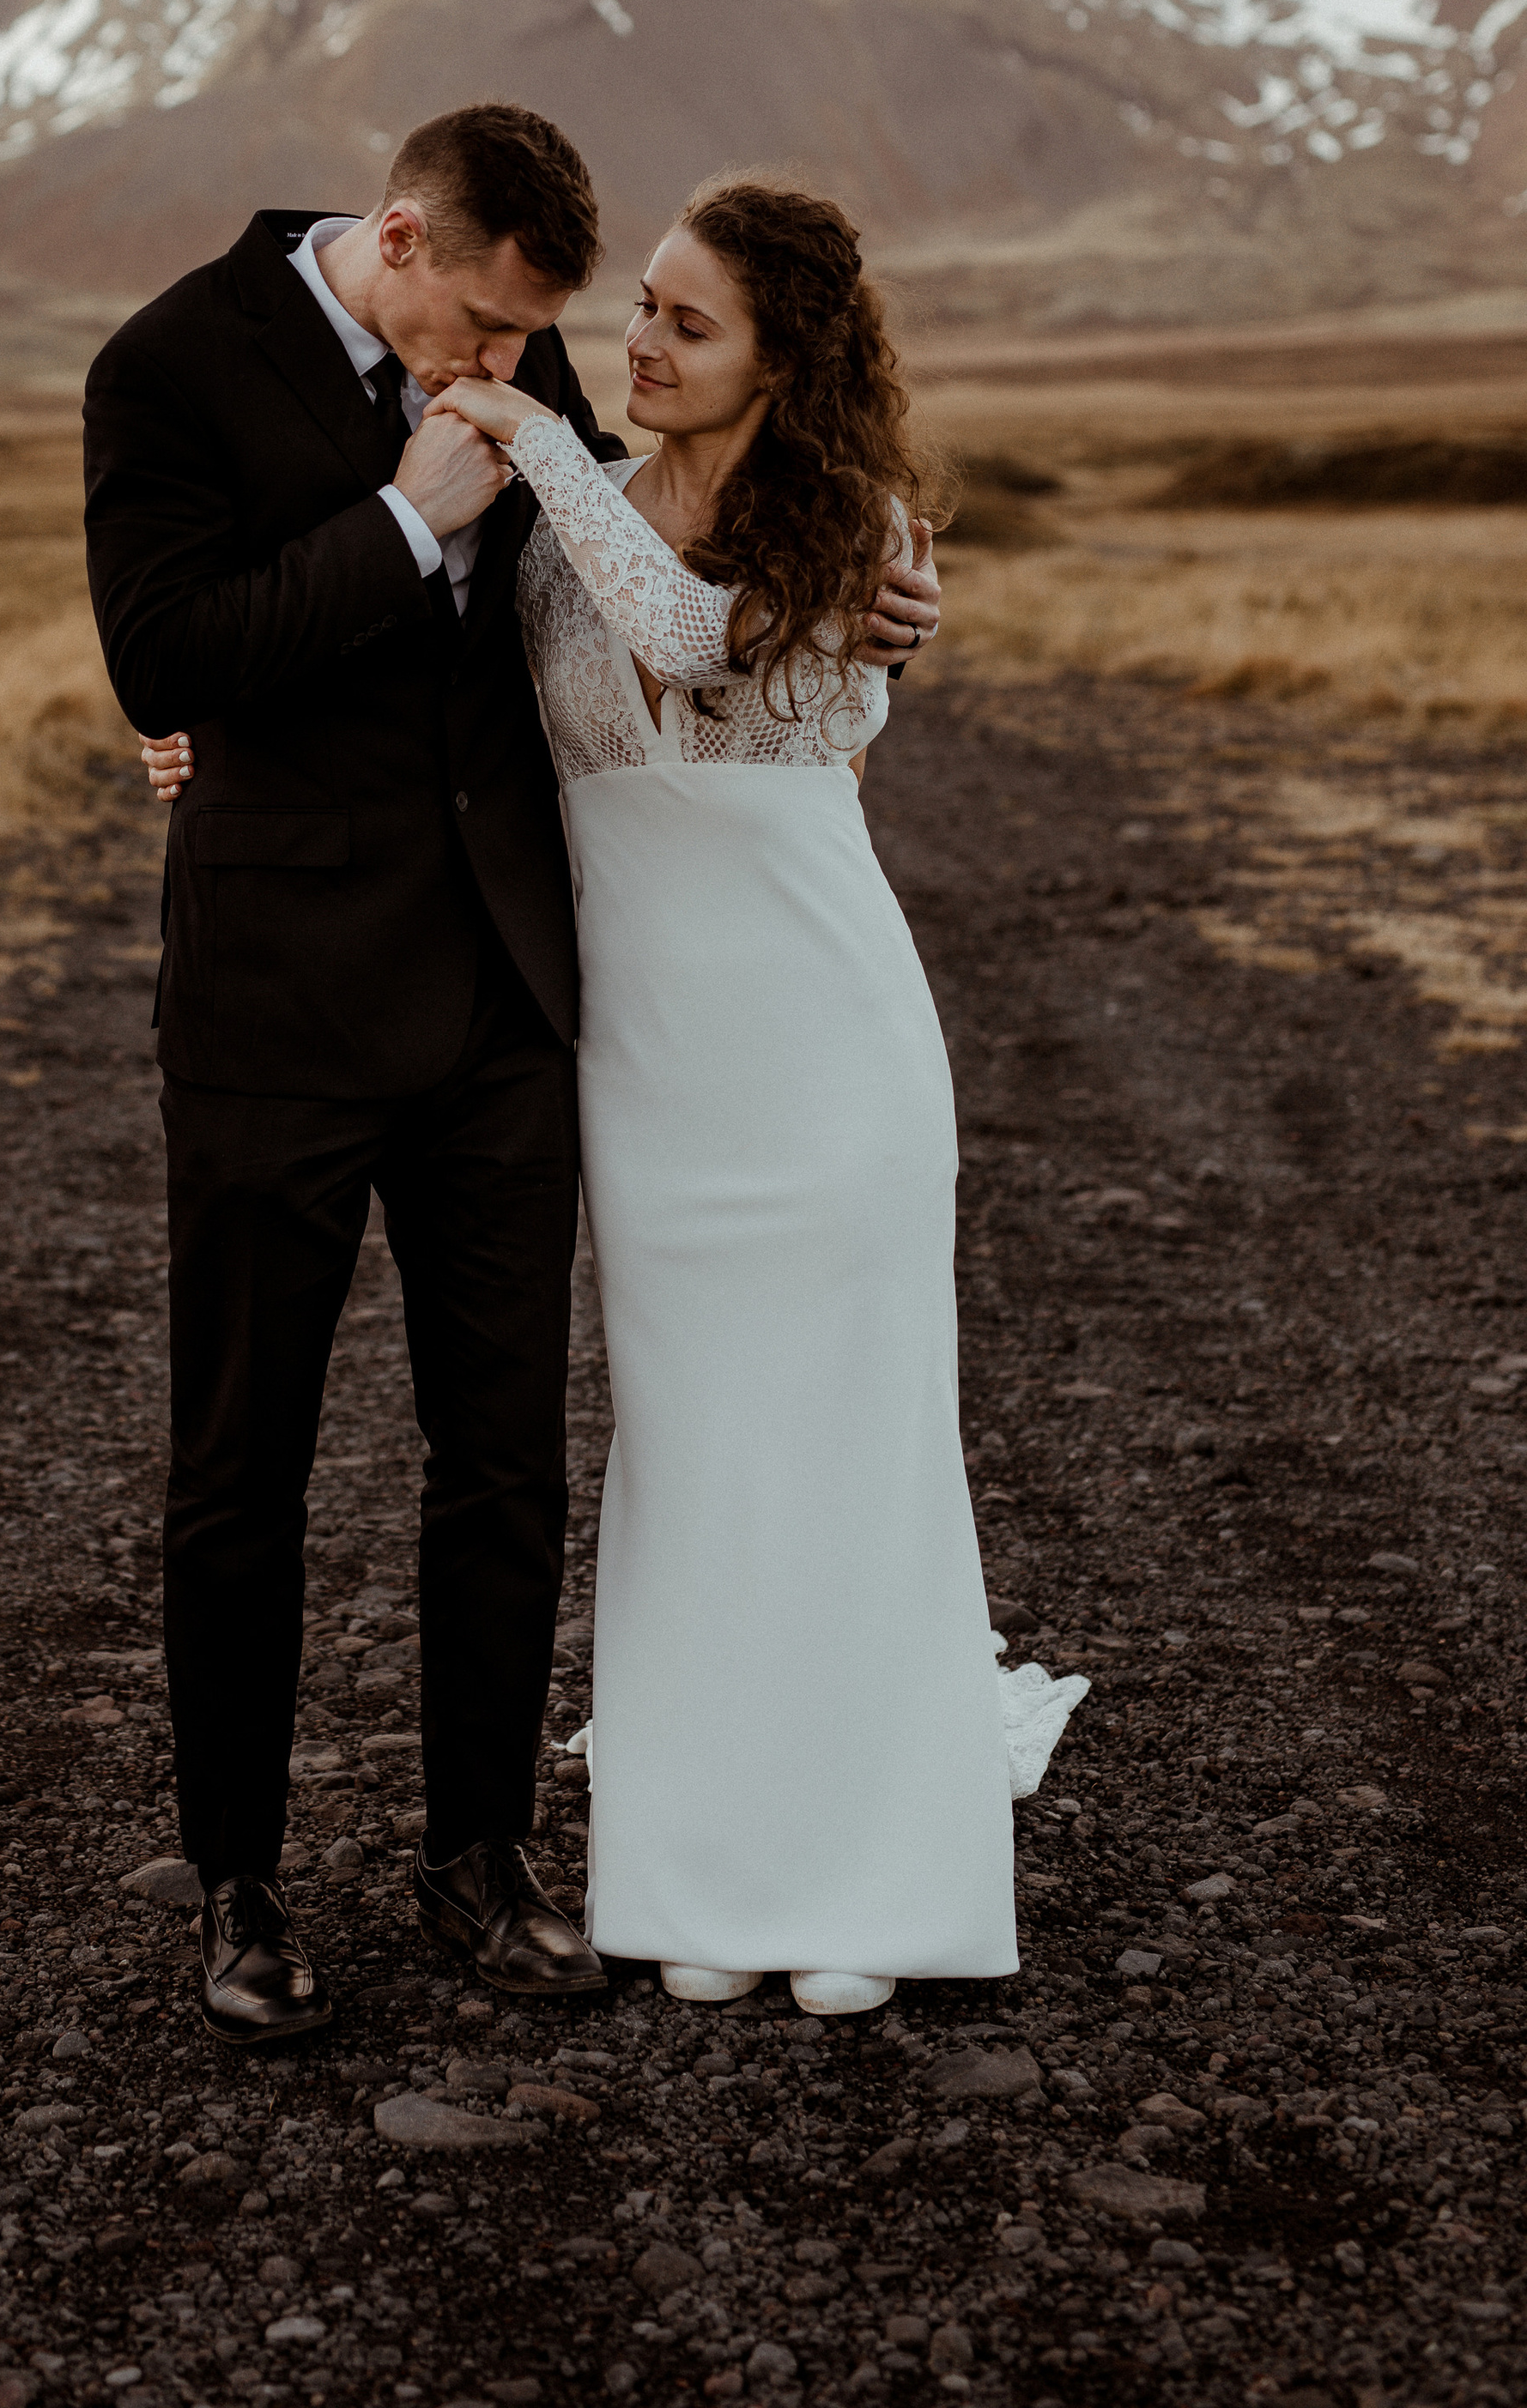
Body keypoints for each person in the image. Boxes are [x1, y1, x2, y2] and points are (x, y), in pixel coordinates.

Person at [85, 107, 940, 2046]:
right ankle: (239, 1885)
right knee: (242, 1469)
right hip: (276, 1019)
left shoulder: (517, 349)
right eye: (477, 329)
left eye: (527, 341)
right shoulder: (166, 363)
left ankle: (478, 1858)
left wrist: (876, 625)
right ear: (395, 241)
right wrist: (395, 527)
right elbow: (163, 650)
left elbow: (636, 611)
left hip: (504, 1010)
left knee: (505, 1464)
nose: (504, 365)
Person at [416, 178, 1082, 2010]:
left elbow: (699, 641)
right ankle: (706, 1871)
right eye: (635, 307)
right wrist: (192, 740)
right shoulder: (558, 531)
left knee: (848, 1449)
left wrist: (540, 436)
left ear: (780, 360)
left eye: (684, 324)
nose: (636, 345)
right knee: (696, 1461)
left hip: (827, 1050)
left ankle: (874, 1884)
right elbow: (432, 705)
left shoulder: (853, 528)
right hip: (647, 1074)